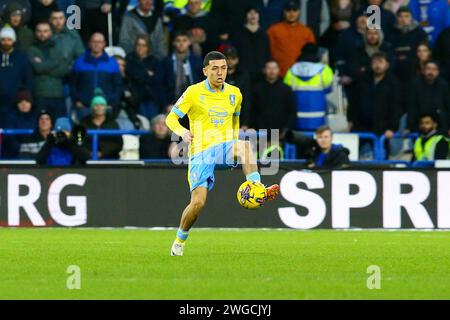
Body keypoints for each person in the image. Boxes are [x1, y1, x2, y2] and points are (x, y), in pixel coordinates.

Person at [165, 51, 280, 256]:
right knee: (198, 203)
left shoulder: (235, 93)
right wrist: (182, 132)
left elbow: (235, 122)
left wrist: (232, 142)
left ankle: (257, 188)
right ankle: (179, 241)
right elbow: (171, 119)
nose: (220, 72)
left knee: (244, 146)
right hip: (201, 153)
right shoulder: (193, 92)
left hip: (224, 149)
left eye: (224, 68)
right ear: (205, 71)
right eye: (215, 68)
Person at [71, 32, 123, 120]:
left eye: (99, 42)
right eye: (94, 41)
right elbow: (72, 84)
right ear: (89, 43)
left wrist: (112, 103)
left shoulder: (112, 63)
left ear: (104, 44)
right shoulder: (79, 62)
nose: (97, 44)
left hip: (106, 107)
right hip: (84, 107)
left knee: (106, 133)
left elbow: (118, 85)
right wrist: (77, 101)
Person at [350, 52, 402, 137]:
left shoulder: (393, 83)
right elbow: (354, 102)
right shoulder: (363, 81)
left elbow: (396, 107)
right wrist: (351, 120)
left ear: (387, 65)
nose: (377, 65)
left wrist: (392, 128)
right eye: (374, 62)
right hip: (361, 128)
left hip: (383, 130)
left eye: (380, 62)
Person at [284, 43, 333, 131]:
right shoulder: (324, 69)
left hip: (298, 114)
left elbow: (286, 90)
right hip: (318, 114)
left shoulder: (292, 69)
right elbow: (329, 89)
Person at [28, 21, 70, 119]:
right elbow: (37, 68)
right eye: (39, 31)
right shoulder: (31, 49)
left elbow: (64, 70)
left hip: (57, 95)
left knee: (59, 127)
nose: (42, 34)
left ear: (51, 32)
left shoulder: (58, 48)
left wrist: (43, 65)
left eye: (45, 31)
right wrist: (55, 62)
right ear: (35, 32)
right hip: (39, 95)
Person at [126, 35, 171, 122]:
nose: (140, 47)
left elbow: (157, 80)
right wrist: (147, 74)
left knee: (153, 122)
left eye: (143, 45)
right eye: (138, 45)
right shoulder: (129, 59)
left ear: (148, 47)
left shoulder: (154, 61)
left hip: (152, 99)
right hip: (136, 99)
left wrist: (140, 74)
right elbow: (131, 74)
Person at [267, 0, 316, 77]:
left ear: (299, 12)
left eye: (294, 10)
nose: (291, 13)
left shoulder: (307, 32)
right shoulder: (273, 30)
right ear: (284, 12)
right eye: (288, 10)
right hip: (279, 75)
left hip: (301, 75)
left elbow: (311, 55)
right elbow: (268, 52)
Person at [251, 60, 296, 136]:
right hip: (261, 131)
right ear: (264, 70)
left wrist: (286, 129)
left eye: (274, 68)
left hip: (279, 131)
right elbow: (252, 109)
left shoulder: (286, 89)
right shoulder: (256, 88)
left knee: (276, 148)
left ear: (279, 70)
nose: (272, 71)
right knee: (262, 148)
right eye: (269, 68)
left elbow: (292, 111)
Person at [407, 60, 450, 136]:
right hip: (420, 125)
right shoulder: (415, 84)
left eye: (434, 69)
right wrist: (409, 127)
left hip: (440, 125)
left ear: (438, 72)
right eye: (428, 69)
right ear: (423, 71)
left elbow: (447, 106)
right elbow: (412, 107)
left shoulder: (443, 85)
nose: (431, 72)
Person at [0, 26, 32, 128]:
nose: (6, 42)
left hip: (15, 102)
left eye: (9, 39)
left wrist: (25, 98)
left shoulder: (21, 57)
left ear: (13, 40)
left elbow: (28, 79)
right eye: (3, 39)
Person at [231, 6, 270, 82]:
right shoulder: (238, 34)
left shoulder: (264, 35)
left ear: (259, 15)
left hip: (260, 75)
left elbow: (267, 54)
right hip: (242, 73)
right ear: (246, 16)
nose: (253, 15)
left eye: (255, 13)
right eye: (250, 13)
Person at [389, 7, 428, 83]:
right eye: (400, 16)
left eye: (406, 16)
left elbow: (424, 51)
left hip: (414, 69)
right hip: (395, 70)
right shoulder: (391, 33)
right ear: (396, 18)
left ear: (411, 18)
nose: (403, 19)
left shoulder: (420, 33)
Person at [162, 30, 202, 101]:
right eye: (178, 41)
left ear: (189, 42)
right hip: (172, 102)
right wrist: (167, 105)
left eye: (184, 40)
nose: (181, 44)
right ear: (174, 43)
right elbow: (161, 85)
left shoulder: (196, 61)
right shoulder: (166, 62)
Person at [80, 94, 123, 159]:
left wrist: (102, 153)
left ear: (105, 107)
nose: (99, 107)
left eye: (102, 105)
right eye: (96, 105)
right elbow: (78, 142)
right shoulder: (83, 123)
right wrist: (89, 153)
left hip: (110, 159)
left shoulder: (113, 123)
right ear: (92, 107)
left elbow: (118, 144)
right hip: (88, 160)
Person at [285, 125, 350, 167]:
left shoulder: (340, 154)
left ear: (331, 138)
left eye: (326, 137)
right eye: (320, 137)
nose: (323, 140)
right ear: (316, 139)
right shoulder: (312, 153)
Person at [223, 46, 251, 128]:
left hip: (238, 118)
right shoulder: (217, 75)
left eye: (233, 58)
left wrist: (245, 123)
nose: (230, 61)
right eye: (227, 58)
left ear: (237, 59)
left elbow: (246, 100)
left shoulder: (243, 75)